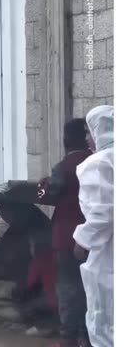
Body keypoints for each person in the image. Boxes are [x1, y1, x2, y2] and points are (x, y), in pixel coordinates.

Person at [37, 118, 92, 347]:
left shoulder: (65, 166)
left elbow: (49, 194)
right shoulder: (98, 161)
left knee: (69, 288)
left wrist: (43, 184)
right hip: (94, 235)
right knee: (91, 287)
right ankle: (88, 335)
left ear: (66, 139)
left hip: (67, 236)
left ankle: (69, 337)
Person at [73, 105, 114, 347]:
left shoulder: (98, 163)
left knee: (105, 319)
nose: (87, 138)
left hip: (107, 252)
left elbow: (104, 210)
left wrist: (83, 240)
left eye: (89, 132)